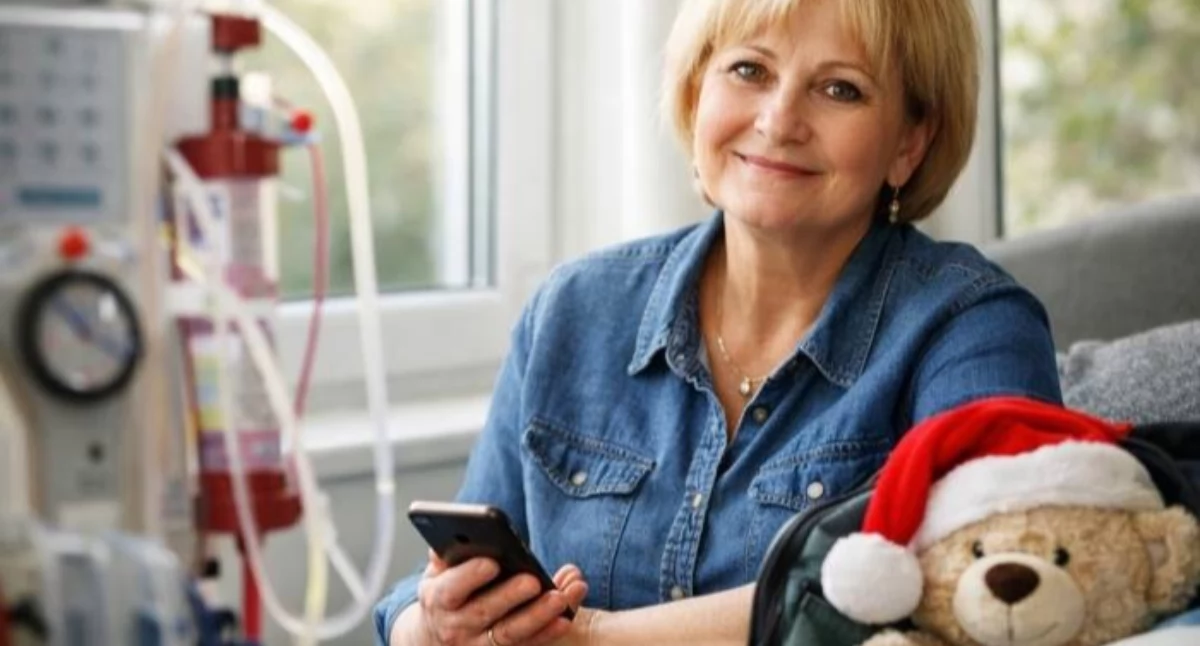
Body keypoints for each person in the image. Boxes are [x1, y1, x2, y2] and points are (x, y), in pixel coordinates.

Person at [376, 0, 1063, 643]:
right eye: (748, 70)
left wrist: (595, 637)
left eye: (840, 89)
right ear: (696, 91)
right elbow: (428, 586)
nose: (778, 120)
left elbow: (978, 581)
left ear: (910, 144)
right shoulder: (571, 311)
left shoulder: (973, 327)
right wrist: (435, 622)